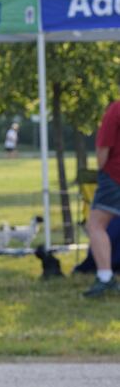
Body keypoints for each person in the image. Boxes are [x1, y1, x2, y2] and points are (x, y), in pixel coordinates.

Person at [83, 97, 120, 297]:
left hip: (115, 175)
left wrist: (101, 168)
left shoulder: (115, 110)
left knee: (95, 225)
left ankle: (105, 278)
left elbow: (103, 149)